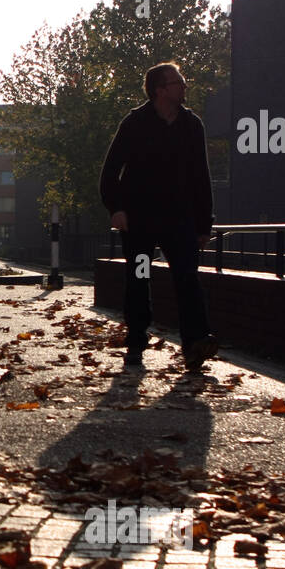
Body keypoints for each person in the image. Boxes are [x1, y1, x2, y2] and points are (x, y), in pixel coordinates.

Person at [99, 62, 218, 371]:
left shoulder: (192, 126)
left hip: (179, 218)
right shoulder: (135, 123)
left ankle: (195, 342)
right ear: (160, 90)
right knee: (139, 277)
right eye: (178, 82)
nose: (184, 87)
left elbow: (201, 177)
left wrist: (204, 223)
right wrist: (116, 209)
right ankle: (136, 340)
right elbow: (111, 171)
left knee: (187, 277)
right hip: (139, 219)